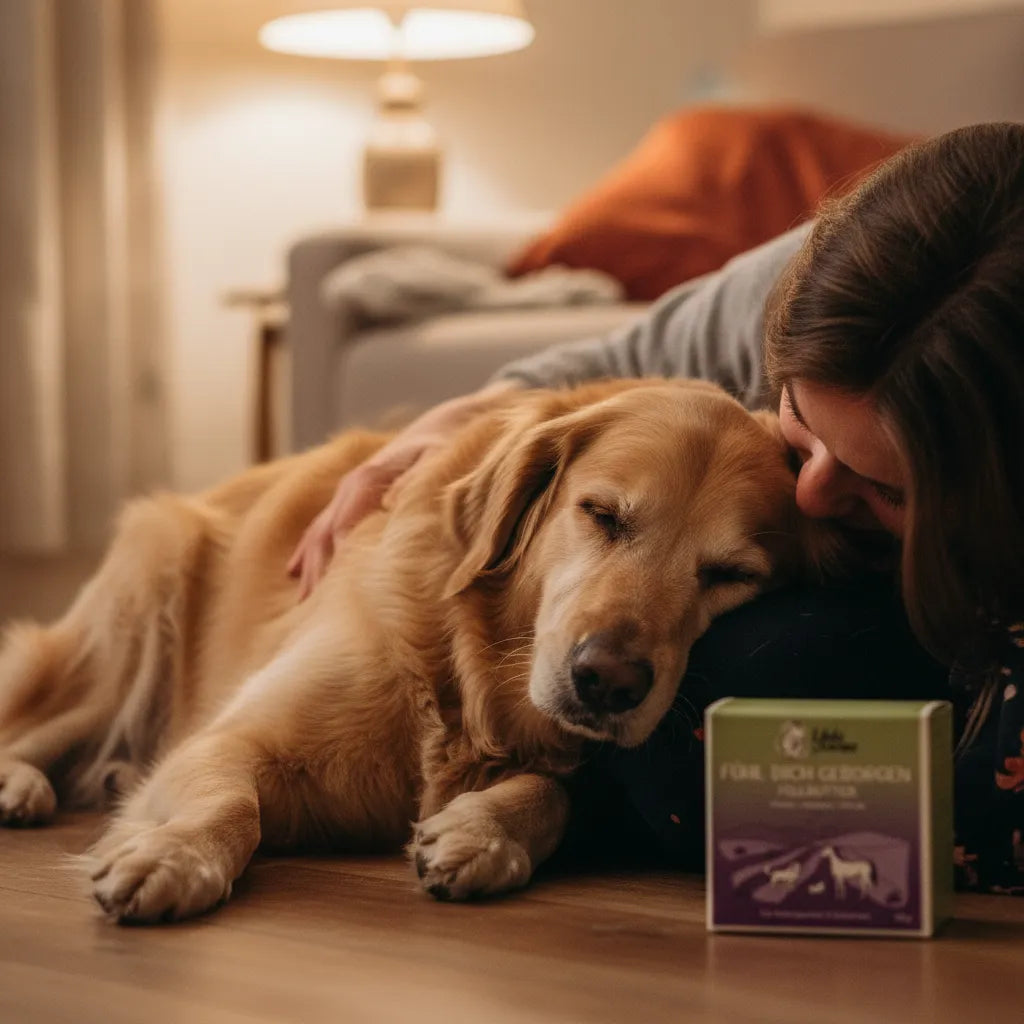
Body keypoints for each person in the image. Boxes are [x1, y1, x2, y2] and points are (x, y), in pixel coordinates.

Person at [289, 122, 1024, 894]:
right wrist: (462, 418)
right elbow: (620, 360)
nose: (810, 494)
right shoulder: (833, 276)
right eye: (799, 425)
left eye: (887, 489)